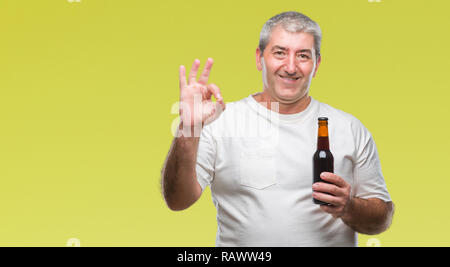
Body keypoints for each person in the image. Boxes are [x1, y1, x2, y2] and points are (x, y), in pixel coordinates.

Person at [161, 11, 394, 247]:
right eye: (280, 53)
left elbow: (381, 219)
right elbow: (178, 200)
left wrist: (349, 207)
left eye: (303, 55)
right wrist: (187, 129)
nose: (290, 67)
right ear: (259, 57)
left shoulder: (349, 129)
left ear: (316, 64)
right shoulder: (220, 121)